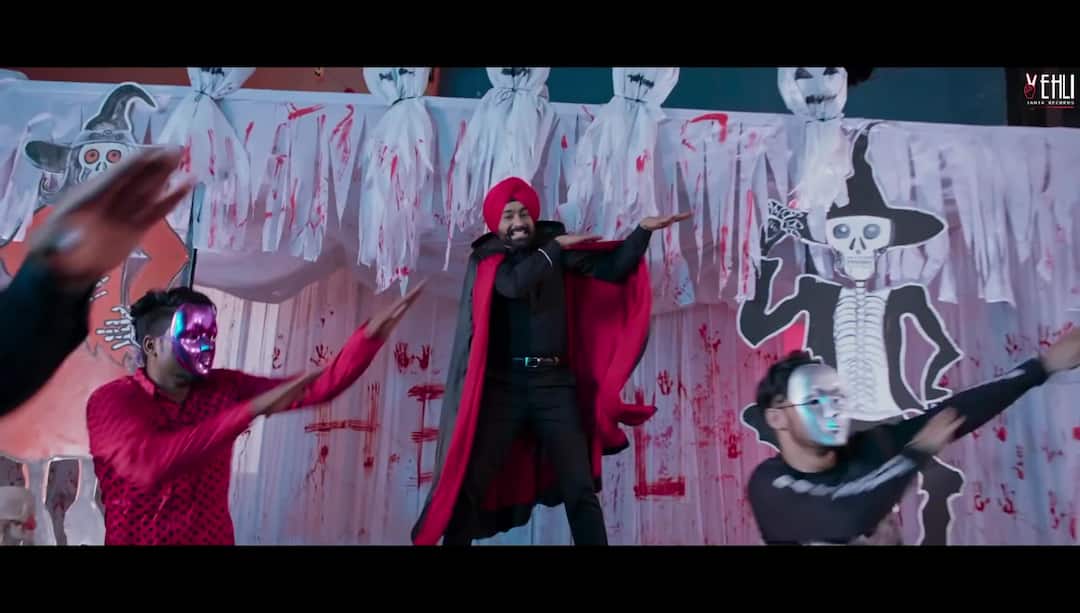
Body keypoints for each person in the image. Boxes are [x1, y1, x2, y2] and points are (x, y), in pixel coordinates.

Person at [411, 176, 690, 546]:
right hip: (504, 389)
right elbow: (513, 284)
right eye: (508, 215)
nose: (518, 222)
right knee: (471, 487)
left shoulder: (555, 250)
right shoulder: (488, 258)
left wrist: (642, 231)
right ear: (496, 224)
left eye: (523, 213)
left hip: (554, 386)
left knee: (580, 489)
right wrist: (554, 249)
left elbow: (614, 269)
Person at [86, 282, 425, 545]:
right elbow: (150, 465)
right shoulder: (111, 402)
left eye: (211, 335)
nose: (206, 345)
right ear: (151, 345)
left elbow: (316, 388)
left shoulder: (224, 387)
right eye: (193, 335)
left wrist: (368, 338)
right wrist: (245, 412)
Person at [745, 327, 1080, 545]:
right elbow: (845, 513)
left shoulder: (869, 446)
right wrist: (916, 453)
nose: (832, 411)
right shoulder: (770, 485)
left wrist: (1043, 366)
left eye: (837, 398)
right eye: (815, 401)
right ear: (777, 417)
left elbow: (953, 414)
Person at [0, 148, 193, 416]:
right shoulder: (53, 221)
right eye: (91, 157)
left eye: (110, 157)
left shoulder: (88, 223)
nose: (100, 166)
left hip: (97, 334)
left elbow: (172, 254)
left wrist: (59, 274)